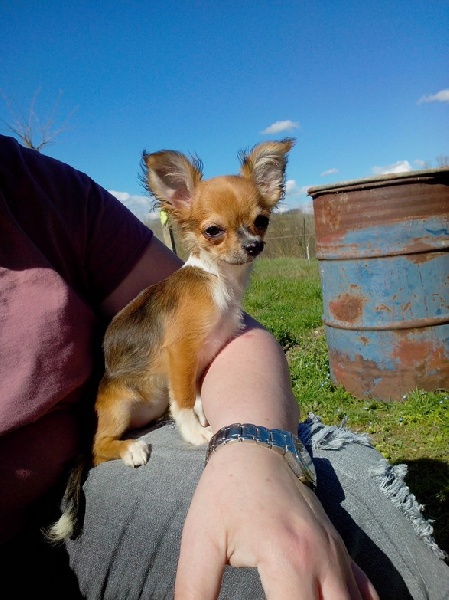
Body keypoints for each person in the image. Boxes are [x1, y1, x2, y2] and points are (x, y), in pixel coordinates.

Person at [0, 133, 447, 600]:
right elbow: (181, 350)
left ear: (271, 194)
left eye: (257, 223)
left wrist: (253, 444)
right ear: (181, 209)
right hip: (125, 418)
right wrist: (189, 420)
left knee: (349, 494)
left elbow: (235, 343)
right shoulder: (195, 289)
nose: (248, 241)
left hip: (135, 435)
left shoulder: (44, 190)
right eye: (216, 231)